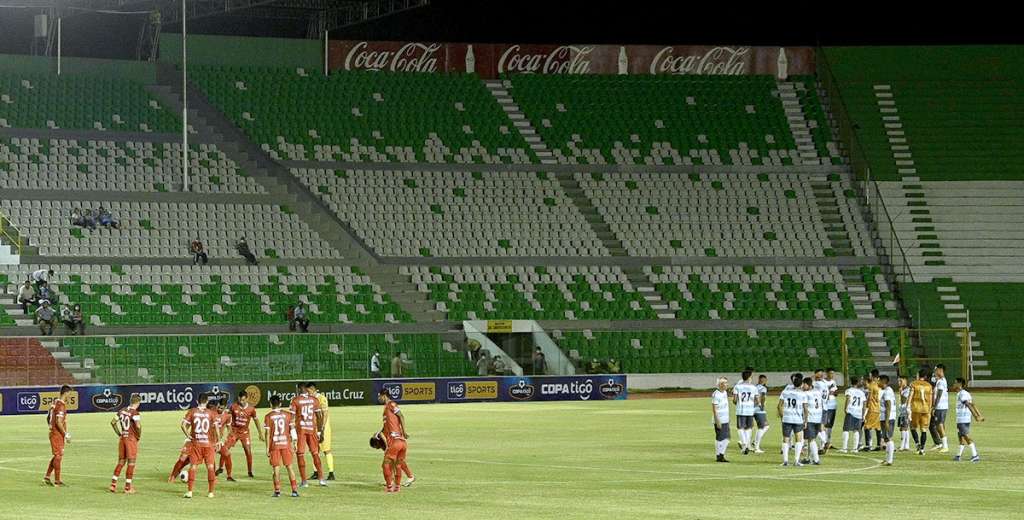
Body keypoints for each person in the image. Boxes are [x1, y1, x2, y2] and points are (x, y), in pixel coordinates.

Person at [181, 393, 219, 498]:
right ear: (206, 402)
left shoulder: (192, 411)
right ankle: (210, 492)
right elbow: (216, 428)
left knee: (193, 466)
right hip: (208, 444)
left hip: (196, 443)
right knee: (210, 467)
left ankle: (190, 491)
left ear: (197, 401)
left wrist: (188, 435)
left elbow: (183, 425)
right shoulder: (211, 413)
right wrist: (219, 440)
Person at [218, 391, 263, 481]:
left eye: (242, 400)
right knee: (225, 449)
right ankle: (220, 468)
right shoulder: (233, 406)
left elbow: (256, 420)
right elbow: (226, 417)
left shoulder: (251, 409)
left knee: (248, 451)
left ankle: (250, 471)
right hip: (234, 432)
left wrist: (260, 433)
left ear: (246, 399)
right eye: (239, 399)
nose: (241, 401)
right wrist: (223, 429)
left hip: (244, 433)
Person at [289, 383, 326, 487]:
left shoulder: (295, 400)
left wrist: (292, 433)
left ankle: (304, 481)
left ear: (300, 389)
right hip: (312, 429)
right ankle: (321, 479)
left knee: (300, 454)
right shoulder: (314, 400)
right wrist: (320, 432)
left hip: (301, 430)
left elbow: (291, 418)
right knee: (315, 453)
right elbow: (319, 416)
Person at [378, 389, 414, 492]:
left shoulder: (391, 404)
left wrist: (405, 431)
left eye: (380, 396)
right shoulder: (386, 409)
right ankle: (397, 487)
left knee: (385, 464)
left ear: (384, 395)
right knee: (398, 464)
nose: (379, 398)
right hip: (402, 442)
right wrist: (379, 434)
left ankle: (389, 486)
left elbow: (401, 415)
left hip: (395, 441)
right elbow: (386, 427)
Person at [263, 395, 300, 497]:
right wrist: (295, 442)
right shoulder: (288, 415)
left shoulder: (268, 416)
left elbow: (267, 434)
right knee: (289, 467)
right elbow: (292, 429)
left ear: (271, 404)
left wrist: (267, 448)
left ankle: (277, 491)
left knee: (276, 468)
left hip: (275, 445)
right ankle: (294, 490)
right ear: (280, 403)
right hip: (286, 444)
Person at [109, 395, 142, 494]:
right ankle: (128, 487)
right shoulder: (135, 413)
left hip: (122, 438)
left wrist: (119, 433)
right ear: (138, 402)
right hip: (131, 440)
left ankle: (113, 484)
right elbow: (138, 426)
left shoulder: (122, 410)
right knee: (131, 463)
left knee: (121, 462)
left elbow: (113, 422)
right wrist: (138, 435)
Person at [43, 385, 73, 487]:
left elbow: (48, 417)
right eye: (70, 394)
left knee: (57, 456)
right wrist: (65, 434)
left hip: (54, 433)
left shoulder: (55, 403)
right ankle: (57, 481)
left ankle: (47, 477)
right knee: (58, 456)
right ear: (66, 393)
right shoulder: (61, 406)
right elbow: (59, 421)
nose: (70, 396)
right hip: (57, 434)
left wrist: (50, 427)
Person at [307, 383, 336, 481]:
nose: (308, 393)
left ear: (312, 389)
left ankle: (331, 473)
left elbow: (325, 414)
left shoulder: (321, 399)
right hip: (314, 427)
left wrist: (322, 429)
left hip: (323, 428)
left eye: (308, 391)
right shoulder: (311, 400)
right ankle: (316, 472)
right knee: (314, 450)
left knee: (326, 450)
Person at [778, 374, 808, 467]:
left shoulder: (785, 392)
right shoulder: (803, 394)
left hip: (787, 418)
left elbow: (779, 406)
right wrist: (805, 420)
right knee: (798, 439)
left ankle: (785, 461)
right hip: (797, 419)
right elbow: (805, 409)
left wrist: (783, 416)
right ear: (801, 384)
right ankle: (796, 461)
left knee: (785, 439)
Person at [952, 377, 984, 462]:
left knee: (966, 436)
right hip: (963, 419)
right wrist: (979, 415)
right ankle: (958, 455)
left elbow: (968, 404)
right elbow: (973, 404)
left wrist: (976, 416)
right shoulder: (965, 393)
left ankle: (975, 455)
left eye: (955, 383)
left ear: (960, 384)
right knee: (961, 436)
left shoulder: (962, 394)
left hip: (963, 419)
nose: (954, 384)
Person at [731, 370, 757, 455]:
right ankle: (746, 444)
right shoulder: (753, 387)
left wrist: (738, 403)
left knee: (740, 427)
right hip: (750, 410)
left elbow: (734, 400)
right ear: (749, 377)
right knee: (748, 428)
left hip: (741, 410)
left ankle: (744, 443)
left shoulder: (737, 387)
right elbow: (757, 400)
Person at [908, 368, 934, 455]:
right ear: (925, 376)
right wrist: (930, 410)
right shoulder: (929, 386)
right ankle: (922, 449)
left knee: (912, 427)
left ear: (918, 375)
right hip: (926, 409)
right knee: (924, 429)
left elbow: (910, 395)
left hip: (915, 408)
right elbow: (930, 400)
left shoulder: (913, 384)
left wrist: (908, 406)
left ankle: (917, 444)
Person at [839, 376, 866, 453]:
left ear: (851, 382)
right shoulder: (861, 392)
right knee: (856, 430)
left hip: (851, 412)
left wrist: (845, 409)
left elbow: (848, 398)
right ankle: (855, 449)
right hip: (859, 413)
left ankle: (844, 448)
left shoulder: (849, 390)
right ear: (857, 383)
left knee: (846, 429)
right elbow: (864, 404)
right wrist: (863, 415)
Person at [801, 376, 823, 466]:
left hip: (810, 418)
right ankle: (808, 458)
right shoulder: (818, 392)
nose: (802, 386)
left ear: (808, 385)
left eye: (804, 384)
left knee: (811, 439)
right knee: (811, 439)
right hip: (818, 418)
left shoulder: (806, 394)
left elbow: (805, 408)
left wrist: (805, 420)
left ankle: (816, 459)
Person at [929, 364, 950, 453]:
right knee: (937, 425)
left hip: (940, 407)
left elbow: (939, 395)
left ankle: (945, 445)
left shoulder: (941, 381)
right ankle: (940, 443)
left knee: (939, 425)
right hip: (942, 406)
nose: (935, 372)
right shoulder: (940, 381)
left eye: (936, 370)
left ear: (941, 370)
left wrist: (934, 407)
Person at [711, 377, 731, 463]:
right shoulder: (716, 394)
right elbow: (714, 409)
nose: (727, 384)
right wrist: (717, 421)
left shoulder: (725, 393)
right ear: (720, 385)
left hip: (725, 418)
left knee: (725, 437)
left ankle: (720, 454)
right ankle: (720, 455)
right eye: (725, 383)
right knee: (721, 437)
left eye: (727, 382)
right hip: (719, 419)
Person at [879, 375, 897, 466]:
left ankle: (889, 460)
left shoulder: (887, 392)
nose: (878, 382)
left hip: (888, 418)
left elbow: (888, 406)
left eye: (879, 381)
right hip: (889, 417)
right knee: (886, 438)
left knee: (888, 437)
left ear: (883, 381)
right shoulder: (889, 390)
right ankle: (887, 459)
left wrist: (886, 420)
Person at [862, 369, 882, 451]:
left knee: (867, 427)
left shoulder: (872, 385)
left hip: (872, 408)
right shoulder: (879, 385)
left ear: (872, 376)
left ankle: (867, 446)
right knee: (877, 427)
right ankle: (878, 445)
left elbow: (869, 398)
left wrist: (866, 408)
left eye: (870, 375)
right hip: (878, 408)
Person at [752, 374, 770, 453]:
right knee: (764, 427)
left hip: (751, 409)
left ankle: (753, 443)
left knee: (761, 427)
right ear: (764, 380)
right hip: (758, 409)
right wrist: (762, 406)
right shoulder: (763, 388)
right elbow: (763, 397)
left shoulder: (754, 387)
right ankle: (756, 446)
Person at [898, 375, 912, 451]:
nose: (899, 382)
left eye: (901, 381)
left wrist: (900, 393)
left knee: (904, 428)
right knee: (904, 428)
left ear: (905, 381)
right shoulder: (903, 389)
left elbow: (904, 400)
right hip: (902, 411)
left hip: (906, 411)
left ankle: (902, 446)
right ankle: (906, 445)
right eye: (898, 381)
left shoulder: (907, 390)